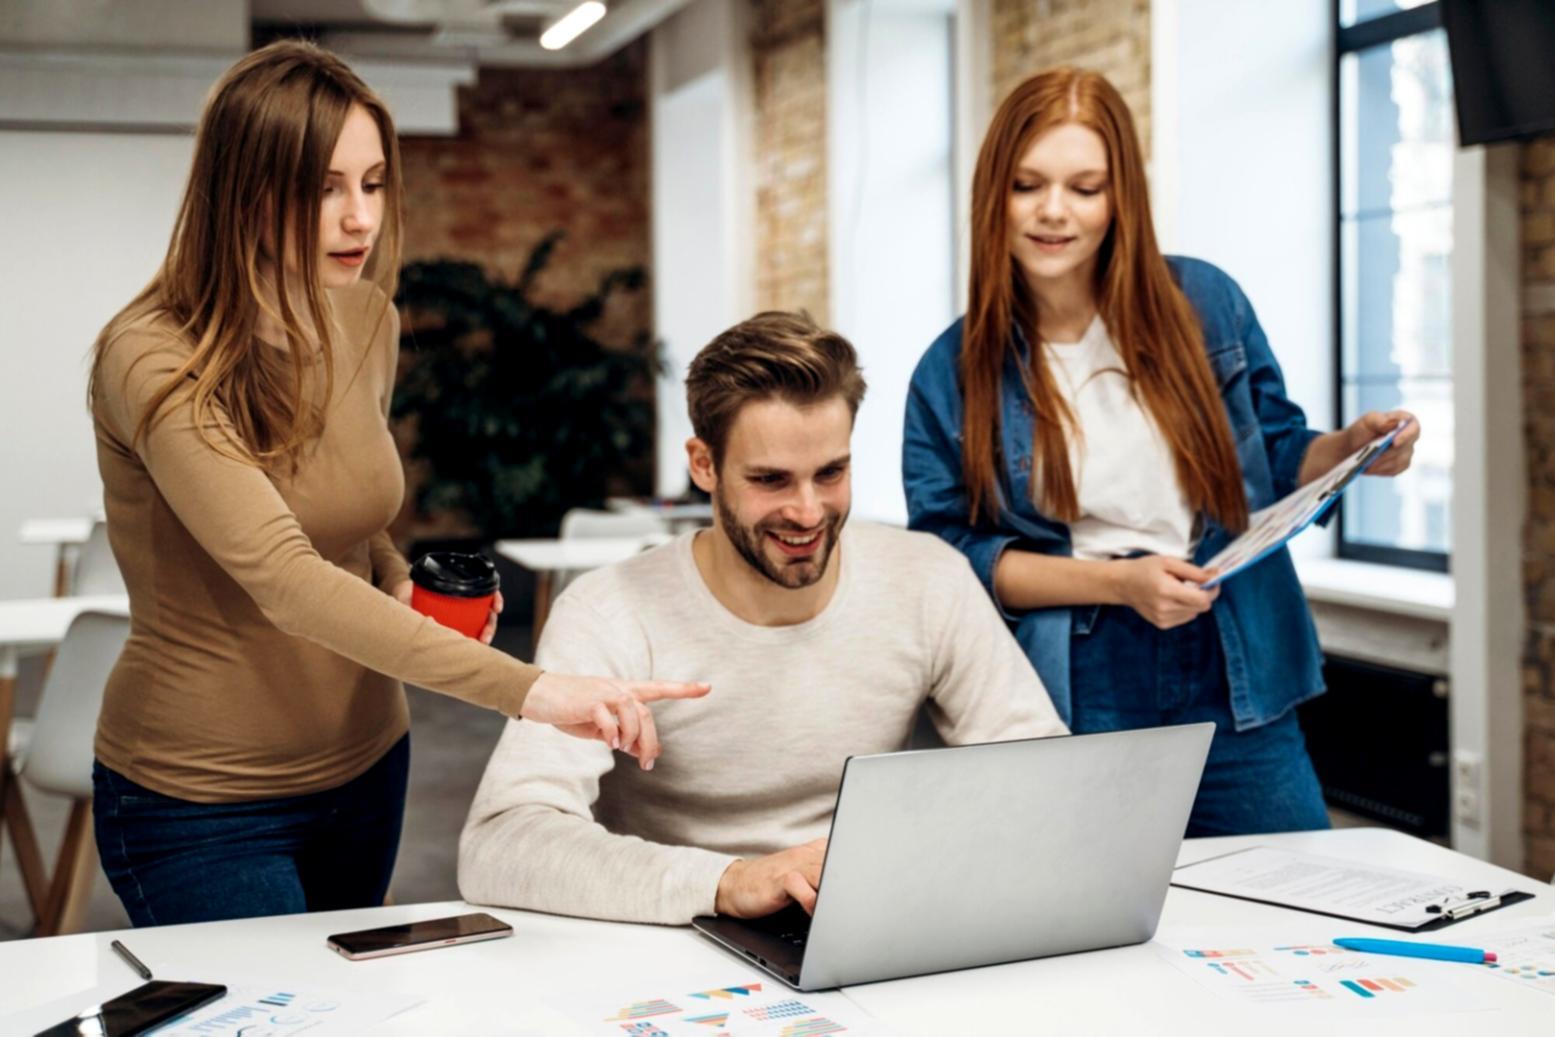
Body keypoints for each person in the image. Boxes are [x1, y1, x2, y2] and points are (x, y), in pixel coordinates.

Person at [86, 40, 706, 928]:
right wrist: (530, 687)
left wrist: (401, 586)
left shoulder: (363, 317)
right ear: (246, 190)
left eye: (373, 183)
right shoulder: (151, 357)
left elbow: (355, 524)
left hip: (367, 766)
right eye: (324, 188)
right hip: (202, 799)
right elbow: (287, 576)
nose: (358, 219)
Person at [902, 67, 1419, 837]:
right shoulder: (951, 372)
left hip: (1233, 656)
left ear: (1120, 199)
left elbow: (1275, 454)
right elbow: (953, 556)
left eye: (1084, 187)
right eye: (1027, 184)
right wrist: (1118, 585)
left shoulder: (1205, 306)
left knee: (1293, 901)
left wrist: (1349, 449)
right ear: (993, 195)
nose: (1054, 212)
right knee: (1096, 926)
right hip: (1076, 677)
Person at [458, 312, 1067, 925]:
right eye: (770, 480)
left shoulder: (927, 578)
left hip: (867, 921)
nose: (807, 513)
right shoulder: (608, 612)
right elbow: (501, 842)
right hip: (681, 936)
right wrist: (730, 880)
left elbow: (1042, 774)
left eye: (830, 473)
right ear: (703, 465)